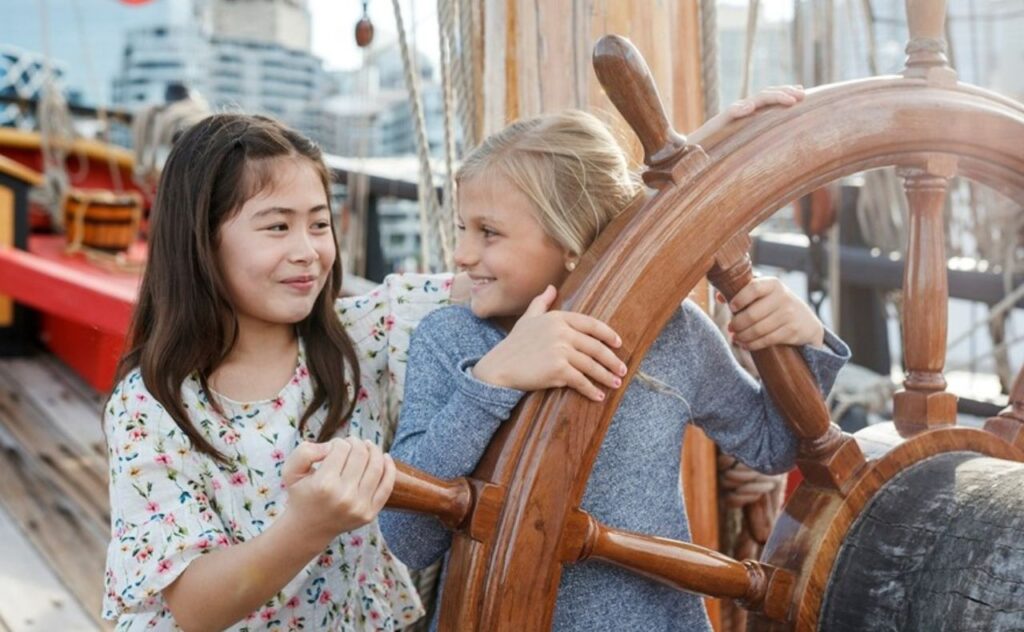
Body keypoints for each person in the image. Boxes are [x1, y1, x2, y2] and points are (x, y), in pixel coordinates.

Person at [379, 87, 851, 630]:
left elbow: (773, 446)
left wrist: (802, 340)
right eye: (463, 228)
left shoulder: (672, 336)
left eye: (488, 232)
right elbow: (409, 539)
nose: (462, 253)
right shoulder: (451, 341)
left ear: (572, 241)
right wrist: (496, 377)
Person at [102, 113, 519, 630]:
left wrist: (522, 351)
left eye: (319, 224)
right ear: (201, 241)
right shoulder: (149, 405)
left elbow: (492, 282)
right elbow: (194, 604)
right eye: (277, 226)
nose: (308, 252)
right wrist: (308, 524)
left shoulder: (368, 333)